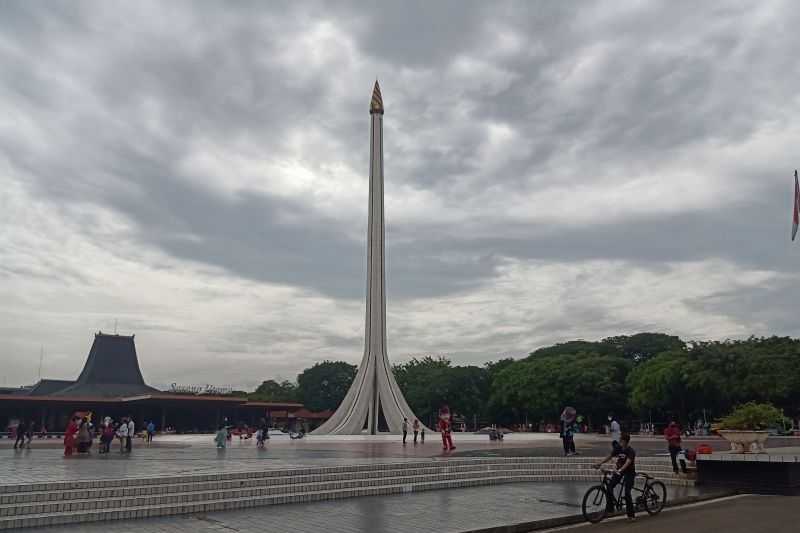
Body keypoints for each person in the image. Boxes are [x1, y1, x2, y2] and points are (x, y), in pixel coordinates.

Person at [595, 432, 637, 521]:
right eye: (620, 440)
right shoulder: (618, 448)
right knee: (610, 486)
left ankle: (631, 515)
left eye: (621, 440)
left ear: (625, 442)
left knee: (627, 493)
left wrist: (620, 470)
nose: (619, 442)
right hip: (619, 471)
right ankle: (610, 508)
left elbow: (628, 462)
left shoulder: (631, 451)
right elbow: (610, 456)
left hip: (629, 472)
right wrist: (600, 463)